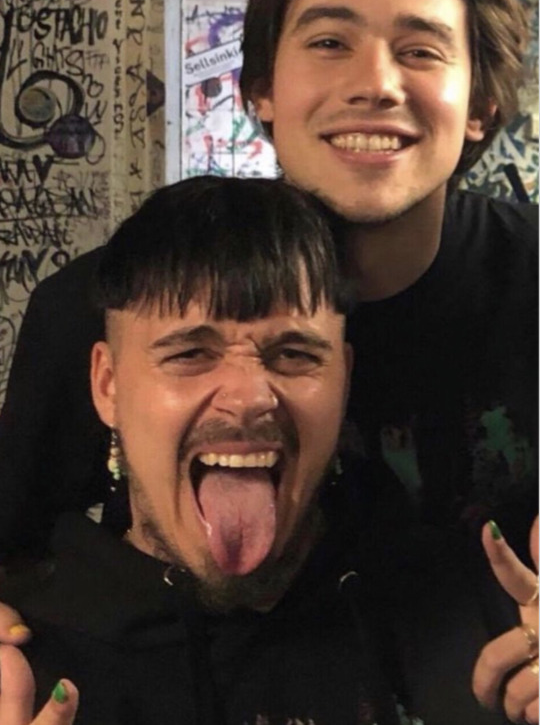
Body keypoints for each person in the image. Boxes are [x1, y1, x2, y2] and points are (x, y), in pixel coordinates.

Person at [0, 0, 537, 718]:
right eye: (329, 42)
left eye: (421, 49)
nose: (376, 84)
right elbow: (15, 543)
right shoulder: (108, 305)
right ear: (261, 89)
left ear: (481, 102)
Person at [0, 175, 533, 725]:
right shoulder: (24, 665)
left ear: (344, 379)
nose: (249, 398)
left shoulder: (470, 621)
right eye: (189, 354)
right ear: (107, 385)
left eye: (295, 355)